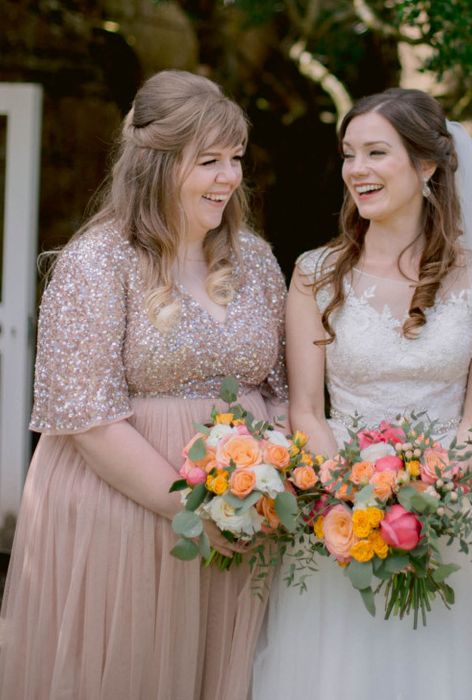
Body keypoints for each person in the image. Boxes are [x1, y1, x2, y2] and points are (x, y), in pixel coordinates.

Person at [0, 70, 288, 699]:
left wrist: (267, 485)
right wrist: (191, 508)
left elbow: (282, 388)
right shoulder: (96, 262)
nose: (229, 178)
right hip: (129, 516)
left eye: (235, 158)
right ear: (157, 166)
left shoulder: (257, 260)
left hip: (246, 515)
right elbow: (88, 419)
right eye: (208, 161)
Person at [250, 88, 472, 699]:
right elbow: (306, 406)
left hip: (452, 510)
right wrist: (351, 497)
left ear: (426, 165)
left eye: (376, 153)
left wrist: (429, 497)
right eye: (350, 154)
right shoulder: (315, 273)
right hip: (341, 511)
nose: (357, 169)